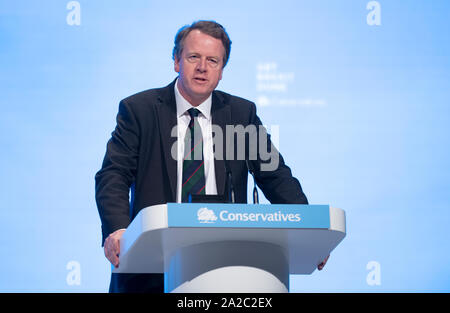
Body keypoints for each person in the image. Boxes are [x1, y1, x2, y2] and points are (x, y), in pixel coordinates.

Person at [95, 20, 324, 293]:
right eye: (194, 57)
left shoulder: (240, 114)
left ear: (222, 71)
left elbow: (276, 177)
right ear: (177, 62)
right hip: (151, 270)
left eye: (213, 60)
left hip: (226, 271)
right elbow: (114, 174)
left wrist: (312, 236)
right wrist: (118, 229)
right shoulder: (139, 110)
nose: (203, 67)